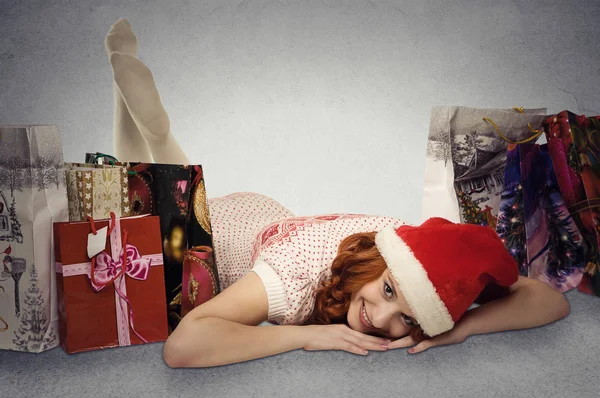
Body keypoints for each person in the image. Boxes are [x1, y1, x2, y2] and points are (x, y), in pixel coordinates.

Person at [103, 19, 571, 368]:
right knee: (141, 206)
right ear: (379, 265)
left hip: (275, 219)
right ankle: (157, 132)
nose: (381, 317)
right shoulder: (293, 282)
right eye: (387, 290)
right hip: (225, 238)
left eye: (406, 320)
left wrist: (463, 327)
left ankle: (141, 117)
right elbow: (183, 345)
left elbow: (551, 300)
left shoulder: (426, 266)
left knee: (162, 184)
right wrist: (304, 338)